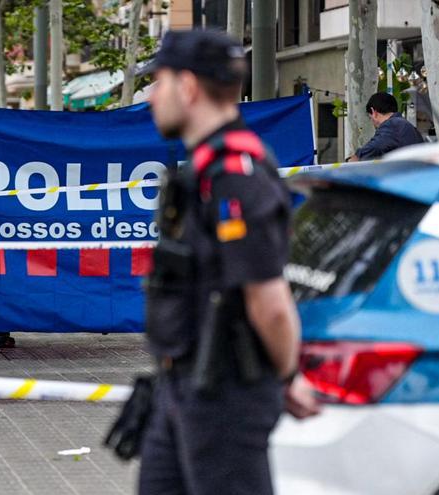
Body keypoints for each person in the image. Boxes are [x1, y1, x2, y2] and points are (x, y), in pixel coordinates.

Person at [138, 30, 321, 495]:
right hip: (183, 385)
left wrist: (286, 376)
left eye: (158, 82)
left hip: (225, 393)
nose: (152, 96)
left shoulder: (237, 175)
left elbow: (270, 302)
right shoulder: (203, 168)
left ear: (189, 87)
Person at [347, 92, 424, 161]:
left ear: (374, 112)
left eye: (370, 117)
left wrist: (355, 158)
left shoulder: (392, 124)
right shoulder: (407, 126)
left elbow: (375, 146)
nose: (372, 122)